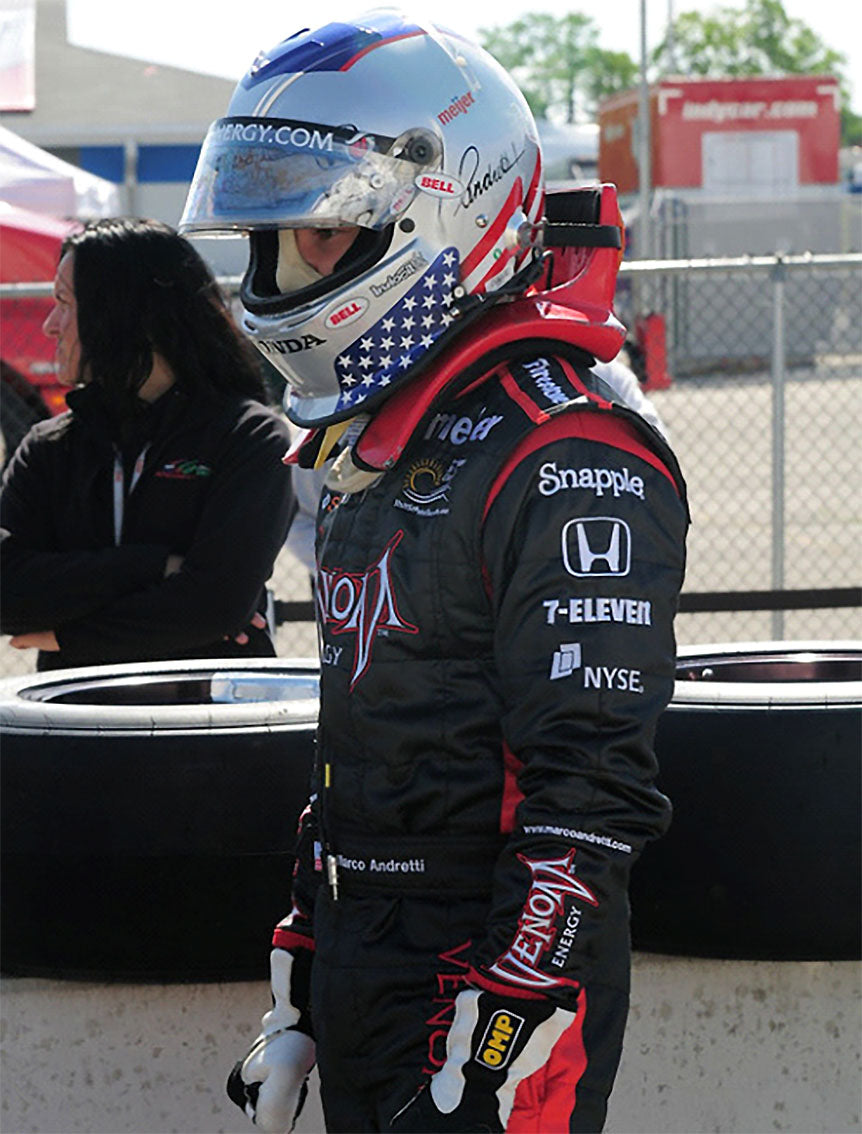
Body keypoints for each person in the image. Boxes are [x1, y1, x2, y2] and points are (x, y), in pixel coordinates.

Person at [180, 10, 688, 1132]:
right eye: (271, 237)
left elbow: (592, 797)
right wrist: (302, 975)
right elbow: (362, 745)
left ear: (443, 210)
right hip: (372, 964)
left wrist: (504, 1023)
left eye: (319, 231)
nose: (283, 269)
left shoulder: (567, 449)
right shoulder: (377, 436)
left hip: (487, 988)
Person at [0, 217, 294, 670]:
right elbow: (6, 592)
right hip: (73, 710)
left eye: (64, 303)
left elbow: (213, 605)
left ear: (128, 313)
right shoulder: (50, 447)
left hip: (208, 709)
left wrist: (64, 635)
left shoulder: (249, 437)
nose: (49, 326)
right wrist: (152, 566)